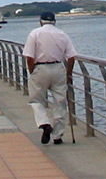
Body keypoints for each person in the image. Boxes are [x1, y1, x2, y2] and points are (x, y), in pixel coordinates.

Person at [22, 11, 77, 145]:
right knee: (60, 102)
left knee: (36, 100)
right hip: (58, 68)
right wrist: (69, 73)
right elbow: (71, 57)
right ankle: (57, 136)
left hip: (40, 68)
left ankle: (44, 123)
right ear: (54, 21)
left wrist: (32, 71)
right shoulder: (62, 34)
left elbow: (29, 57)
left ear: (40, 21)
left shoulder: (34, 33)